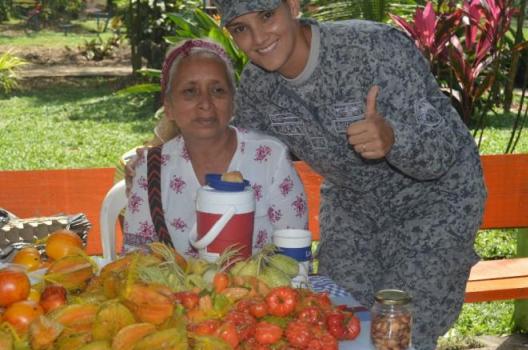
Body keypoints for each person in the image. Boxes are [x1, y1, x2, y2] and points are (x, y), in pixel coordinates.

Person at [212, 1, 487, 349]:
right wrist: (158, 152)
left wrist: (393, 138)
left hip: (434, 200)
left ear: (293, 6)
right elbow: (239, 148)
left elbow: (442, 152)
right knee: (336, 322)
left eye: (267, 16)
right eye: (240, 28)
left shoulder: (373, 48)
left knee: (397, 334)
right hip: (353, 203)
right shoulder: (258, 86)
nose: (258, 37)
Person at [123, 38, 308, 258]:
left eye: (218, 90)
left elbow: (294, 258)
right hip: (178, 293)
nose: (205, 103)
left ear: (233, 102)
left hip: (262, 292)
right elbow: (136, 260)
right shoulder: (152, 168)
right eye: (190, 92)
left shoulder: (270, 159)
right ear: (169, 107)